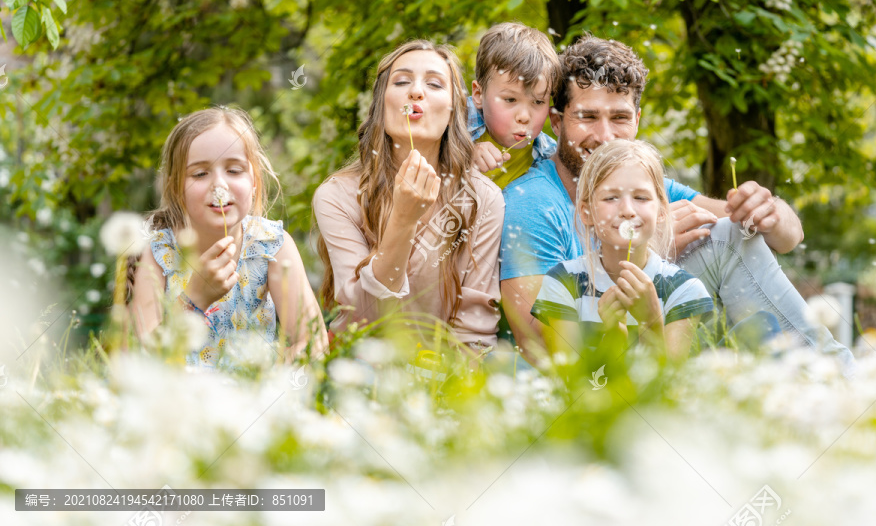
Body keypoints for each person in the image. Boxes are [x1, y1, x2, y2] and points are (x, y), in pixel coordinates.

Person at [501, 36, 854, 373]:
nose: (606, 136)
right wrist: (652, 251)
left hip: (655, 336)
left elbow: (785, 239)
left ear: (637, 121)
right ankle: (830, 375)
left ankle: (826, 375)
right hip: (594, 361)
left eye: (620, 118)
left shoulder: (641, 187)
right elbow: (536, 344)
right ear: (559, 121)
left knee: (731, 234)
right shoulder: (533, 202)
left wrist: (770, 213)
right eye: (588, 117)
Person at [313, 40, 505, 354]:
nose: (416, 92)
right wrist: (402, 220)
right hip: (359, 370)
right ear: (380, 105)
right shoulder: (337, 196)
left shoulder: (482, 199)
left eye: (434, 84)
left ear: (453, 109)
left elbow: (475, 333)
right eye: (402, 82)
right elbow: (363, 319)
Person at [129, 107, 327, 368]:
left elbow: (313, 344)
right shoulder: (157, 252)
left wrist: (262, 382)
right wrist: (194, 299)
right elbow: (142, 358)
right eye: (200, 174)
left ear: (254, 181)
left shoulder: (269, 245)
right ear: (176, 189)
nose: (219, 185)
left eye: (234, 170)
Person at [532, 139, 714, 361]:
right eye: (611, 198)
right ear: (586, 212)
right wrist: (612, 342)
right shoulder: (563, 283)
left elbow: (667, 386)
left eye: (641, 197)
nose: (628, 210)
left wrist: (651, 322)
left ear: (661, 211)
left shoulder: (684, 291)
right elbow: (570, 380)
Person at [468, 22, 561, 189]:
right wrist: (462, 156)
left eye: (538, 102)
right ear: (478, 95)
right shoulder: (453, 126)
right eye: (510, 100)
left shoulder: (549, 158)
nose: (524, 117)